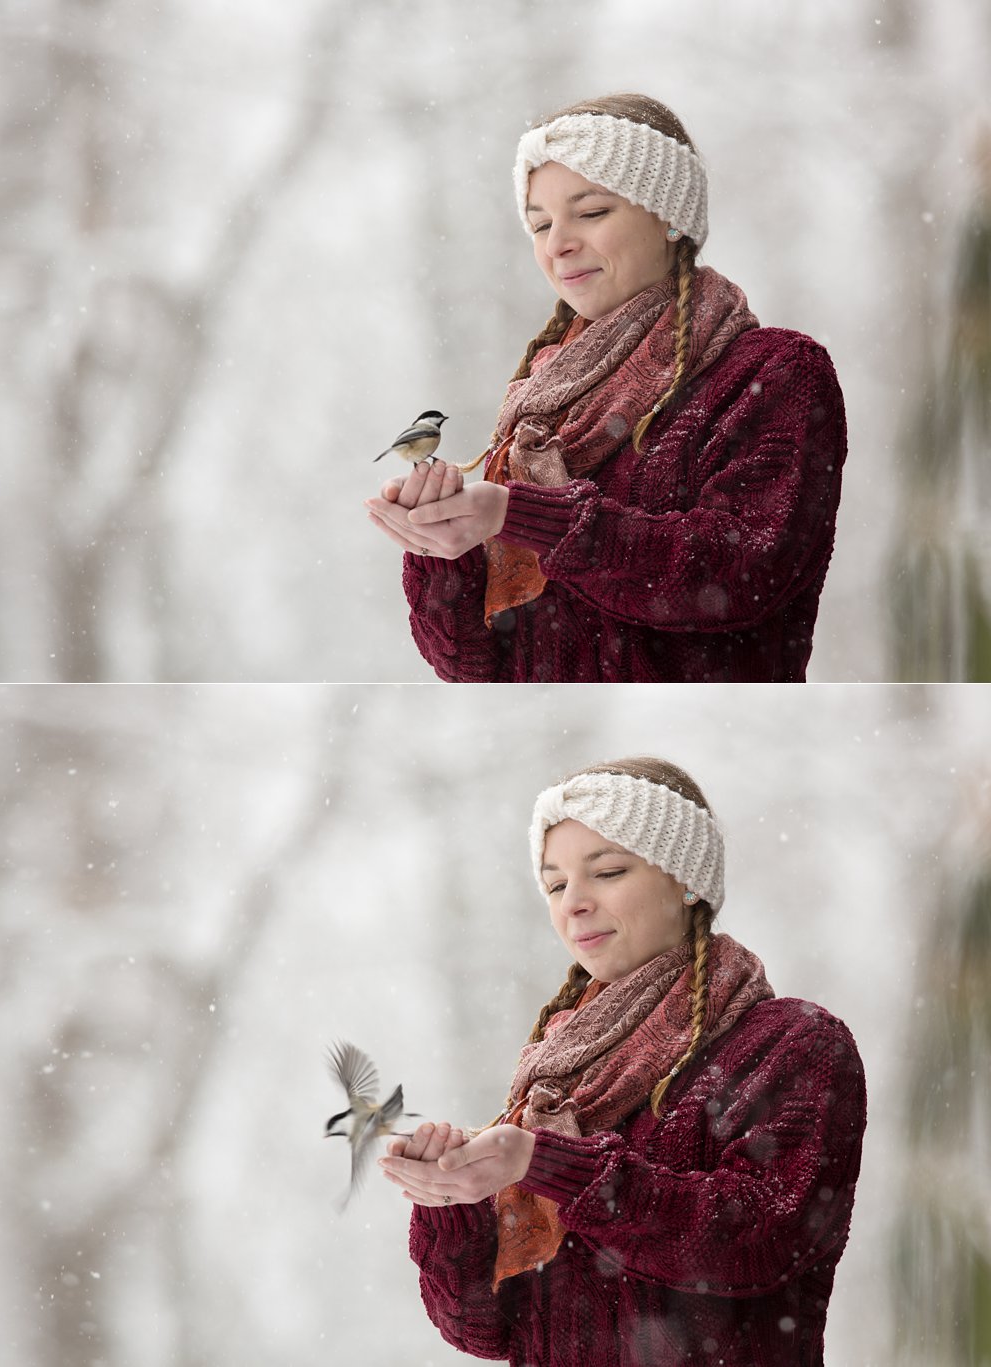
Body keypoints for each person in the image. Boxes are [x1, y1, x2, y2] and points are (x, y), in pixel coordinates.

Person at [379, 757, 866, 1366]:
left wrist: (549, 1165)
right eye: (555, 885)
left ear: (688, 881)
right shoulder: (558, 1076)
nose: (573, 903)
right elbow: (485, 1331)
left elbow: (757, 1240)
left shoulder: (793, 1045)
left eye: (606, 872)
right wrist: (450, 1200)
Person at [364, 94, 848, 682]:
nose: (556, 243)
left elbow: (738, 572)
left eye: (590, 212)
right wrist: (443, 546)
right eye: (540, 224)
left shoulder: (774, 373)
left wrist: (525, 517)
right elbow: (469, 666)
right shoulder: (540, 404)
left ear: (670, 218)